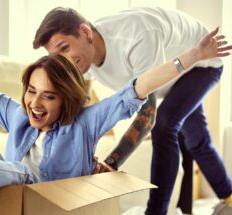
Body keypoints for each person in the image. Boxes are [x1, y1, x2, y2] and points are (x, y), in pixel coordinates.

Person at [0, 1, 230, 214]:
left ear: (66, 98)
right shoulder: (18, 115)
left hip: (42, 197)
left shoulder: (86, 122)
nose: (35, 104)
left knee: (20, 175)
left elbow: (139, 90)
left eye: (49, 96)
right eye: (31, 92)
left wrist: (193, 56)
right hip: (3, 192)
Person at [33, 6, 232, 215]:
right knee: (197, 138)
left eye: (64, 48)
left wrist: (112, 162)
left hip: (202, 63)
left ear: (85, 33)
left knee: (165, 125)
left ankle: (155, 212)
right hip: (170, 74)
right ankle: (229, 197)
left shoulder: (136, 38)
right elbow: (81, 104)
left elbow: (148, 114)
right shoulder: (80, 56)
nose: (63, 61)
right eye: (56, 56)